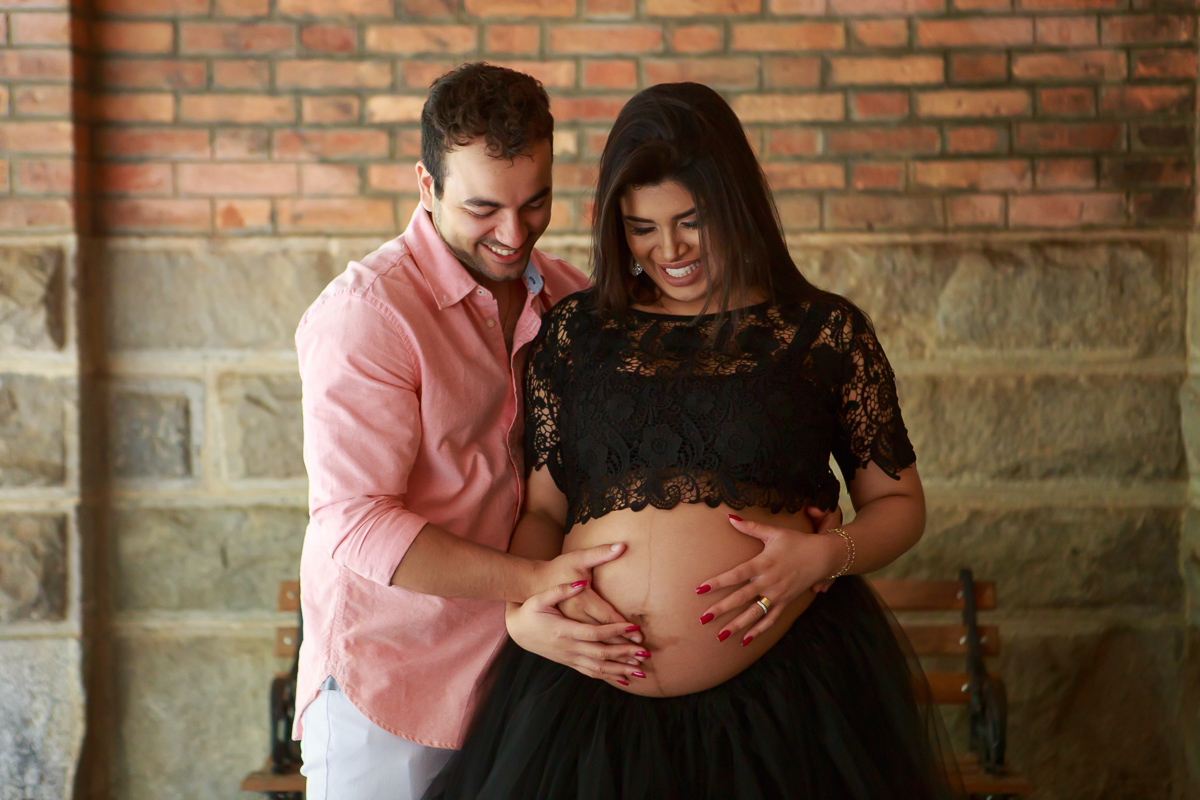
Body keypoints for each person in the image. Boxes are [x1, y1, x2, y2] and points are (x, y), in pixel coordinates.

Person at [426, 82, 960, 800]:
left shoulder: (821, 332)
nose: (668, 250)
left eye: (691, 220)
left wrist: (826, 555)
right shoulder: (576, 333)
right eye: (640, 227)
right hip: (583, 705)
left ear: (736, 205)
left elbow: (900, 504)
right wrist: (526, 615)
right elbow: (545, 513)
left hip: (787, 699)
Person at [291, 63, 654, 800]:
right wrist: (533, 583)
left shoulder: (570, 299)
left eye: (536, 203)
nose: (514, 234)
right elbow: (356, 525)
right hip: (392, 683)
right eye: (484, 208)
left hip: (526, 677)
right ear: (426, 185)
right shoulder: (367, 314)